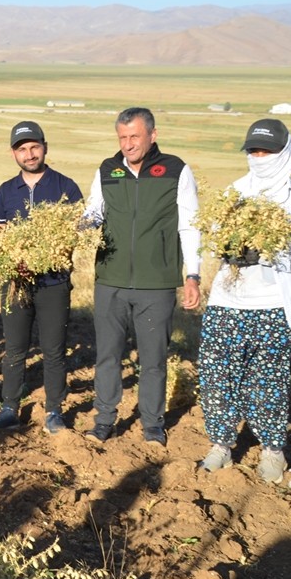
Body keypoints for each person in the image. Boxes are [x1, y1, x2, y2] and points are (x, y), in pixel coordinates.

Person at [197, 120, 291, 483]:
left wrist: (269, 252)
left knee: (268, 382)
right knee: (217, 376)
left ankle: (272, 451)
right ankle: (221, 445)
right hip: (227, 301)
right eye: (253, 151)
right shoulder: (234, 193)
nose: (259, 158)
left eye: (266, 151)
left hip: (275, 306)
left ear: (285, 152)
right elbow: (216, 239)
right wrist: (232, 249)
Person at [83, 107, 201, 446]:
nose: (128, 144)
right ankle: (104, 420)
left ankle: (152, 425)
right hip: (111, 279)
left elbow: (189, 224)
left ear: (153, 134)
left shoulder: (176, 170)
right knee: (107, 354)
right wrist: (72, 226)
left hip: (157, 282)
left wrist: (192, 275)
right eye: (122, 137)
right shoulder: (107, 169)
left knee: (153, 359)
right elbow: (94, 211)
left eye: (134, 136)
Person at [0, 122, 83, 434]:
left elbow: (72, 239)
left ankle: (54, 411)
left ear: (44, 147)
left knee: (54, 350)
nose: (29, 154)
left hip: (53, 283)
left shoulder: (66, 187)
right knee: (15, 348)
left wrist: (42, 261)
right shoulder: (5, 191)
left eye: (34, 147)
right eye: (22, 149)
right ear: (13, 153)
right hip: (15, 283)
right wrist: (13, 264)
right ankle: (10, 407)